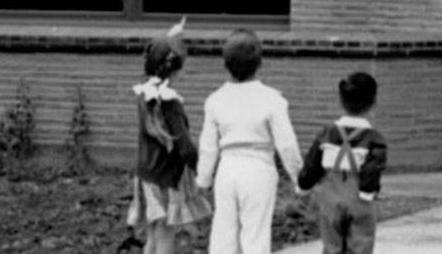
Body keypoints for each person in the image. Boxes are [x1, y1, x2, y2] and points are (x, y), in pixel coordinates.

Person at [196, 29, 304, 254]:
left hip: (227, 169)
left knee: (223, 234)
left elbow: (208, 146)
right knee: (255, 235)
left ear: (225, 64)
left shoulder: (215, 100)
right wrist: (298, 177)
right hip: (259, 167)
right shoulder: (273, 99)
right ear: (260, 63)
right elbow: (286, 143)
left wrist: (203, 179)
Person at [127, 17, 211, 254]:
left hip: (146, 174)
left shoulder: (145, 90)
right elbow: (184, 147)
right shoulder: (170, 102)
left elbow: (156, 55)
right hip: (165, 177)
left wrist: (171, 37)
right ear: (175, 69)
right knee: (166, 238)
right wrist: (202, 170)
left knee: (154, 235)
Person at [296, 72, 388, 254]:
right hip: (359, 198)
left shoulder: (326, 134)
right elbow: (373, 167)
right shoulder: (374, 138)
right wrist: (368, 192)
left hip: (331, 198)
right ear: (373, 103)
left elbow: (312, 163)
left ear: (340, 101)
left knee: (332, 245)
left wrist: (303, 185)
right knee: (361, 243)